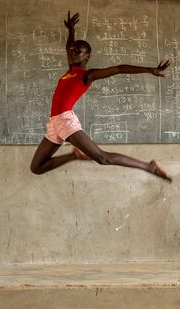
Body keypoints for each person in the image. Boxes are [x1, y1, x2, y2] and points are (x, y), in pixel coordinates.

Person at [30, 11, 172, 183]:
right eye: (71, 50)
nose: (72, 52)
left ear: (87, 56)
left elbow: (119, 68)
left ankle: (149, 167)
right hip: (55, 122)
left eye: (78, 51)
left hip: (66, 121)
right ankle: (74, 155)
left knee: (102, 158)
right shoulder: (71, 70)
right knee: (37, 167)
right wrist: (71, 30)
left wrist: (150, 70)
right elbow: (69, 46)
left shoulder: (86, 75)